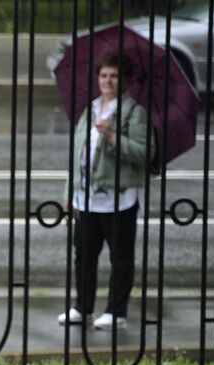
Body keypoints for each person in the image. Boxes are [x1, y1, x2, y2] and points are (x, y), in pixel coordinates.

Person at [57, 50, 150, 332]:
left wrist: (112, 136)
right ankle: (82, 307)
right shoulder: (91, 109)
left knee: (120, 257)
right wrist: (68, 191)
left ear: (125, 80)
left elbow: (144, 153)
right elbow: (77, 153)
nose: (107, 81)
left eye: (114, 76)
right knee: (84, 255)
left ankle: (116, 311)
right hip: (85, 197)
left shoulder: (135, 113)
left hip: (118, 198)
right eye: (103, 75)